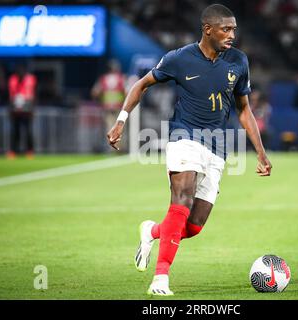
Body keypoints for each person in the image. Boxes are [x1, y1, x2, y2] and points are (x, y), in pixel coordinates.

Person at [107, 4, 272, 295]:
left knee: (194, 226)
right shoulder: (179, 58)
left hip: (218, 147)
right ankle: (160, 279)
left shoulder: (238, 61)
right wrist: (121, 121)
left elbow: (244, 110)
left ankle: (152, 231)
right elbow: (140, 86)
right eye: (226, 29)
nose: (232, 34)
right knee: (181, 201)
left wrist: (260, 152)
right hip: (184, 137)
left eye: (234, 29)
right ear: (208, 29)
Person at [91, 59, 127, 150]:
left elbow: (95, 92)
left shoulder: (103, 79)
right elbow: (127, 92)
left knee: (110, 128)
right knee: (121, 129)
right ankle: (121, 148)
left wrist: (100, 100)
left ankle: (112, 149)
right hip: (120, 108)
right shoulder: (121, 78)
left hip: (107, 108)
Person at [7, 64, 37, 159]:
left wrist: (32, 109)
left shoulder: (30, 79)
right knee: (15, 131)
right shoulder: (13, 79)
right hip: (16, 110)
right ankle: (13, 151)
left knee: (28, 131)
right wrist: (10, 109)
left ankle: (29, 151)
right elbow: (11, 96)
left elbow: (33, 94)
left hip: (27, 110)